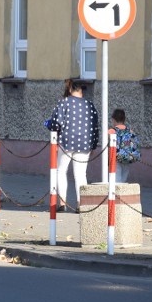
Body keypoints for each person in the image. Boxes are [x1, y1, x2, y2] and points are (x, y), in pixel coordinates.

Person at [53, 78, 100, 210]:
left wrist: (50, 126)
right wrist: (94, 145)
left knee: (61, 171)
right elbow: (95, 127)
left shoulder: (64, 103)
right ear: (81, 91)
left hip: (66, 141)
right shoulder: (89, 105)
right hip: (85, 143)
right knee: (80, 174)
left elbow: (56, 123)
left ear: (69, 89)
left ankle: (62, 203)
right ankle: (81, 204)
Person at [109, 108, 140, 183]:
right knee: (123, 179)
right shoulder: (130, 131)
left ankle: (116, 194)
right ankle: (122, 193)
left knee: (116, 180)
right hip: (128, 158)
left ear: (113, 119)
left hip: (115, 158)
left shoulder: (111, 131)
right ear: (124, 119)